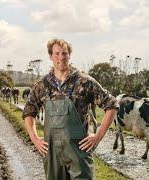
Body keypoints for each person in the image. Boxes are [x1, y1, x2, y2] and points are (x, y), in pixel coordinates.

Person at [22, 38, 118, 180]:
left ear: (69, 55)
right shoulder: (42, 85)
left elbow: (112, 105)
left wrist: (97, 137)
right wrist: (35, 139)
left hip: (78, 151)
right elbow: (28, 113)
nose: (61, 57)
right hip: (52, 153)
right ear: (50, 56)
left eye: (64, 53)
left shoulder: (84, 81)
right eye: (57, 53)